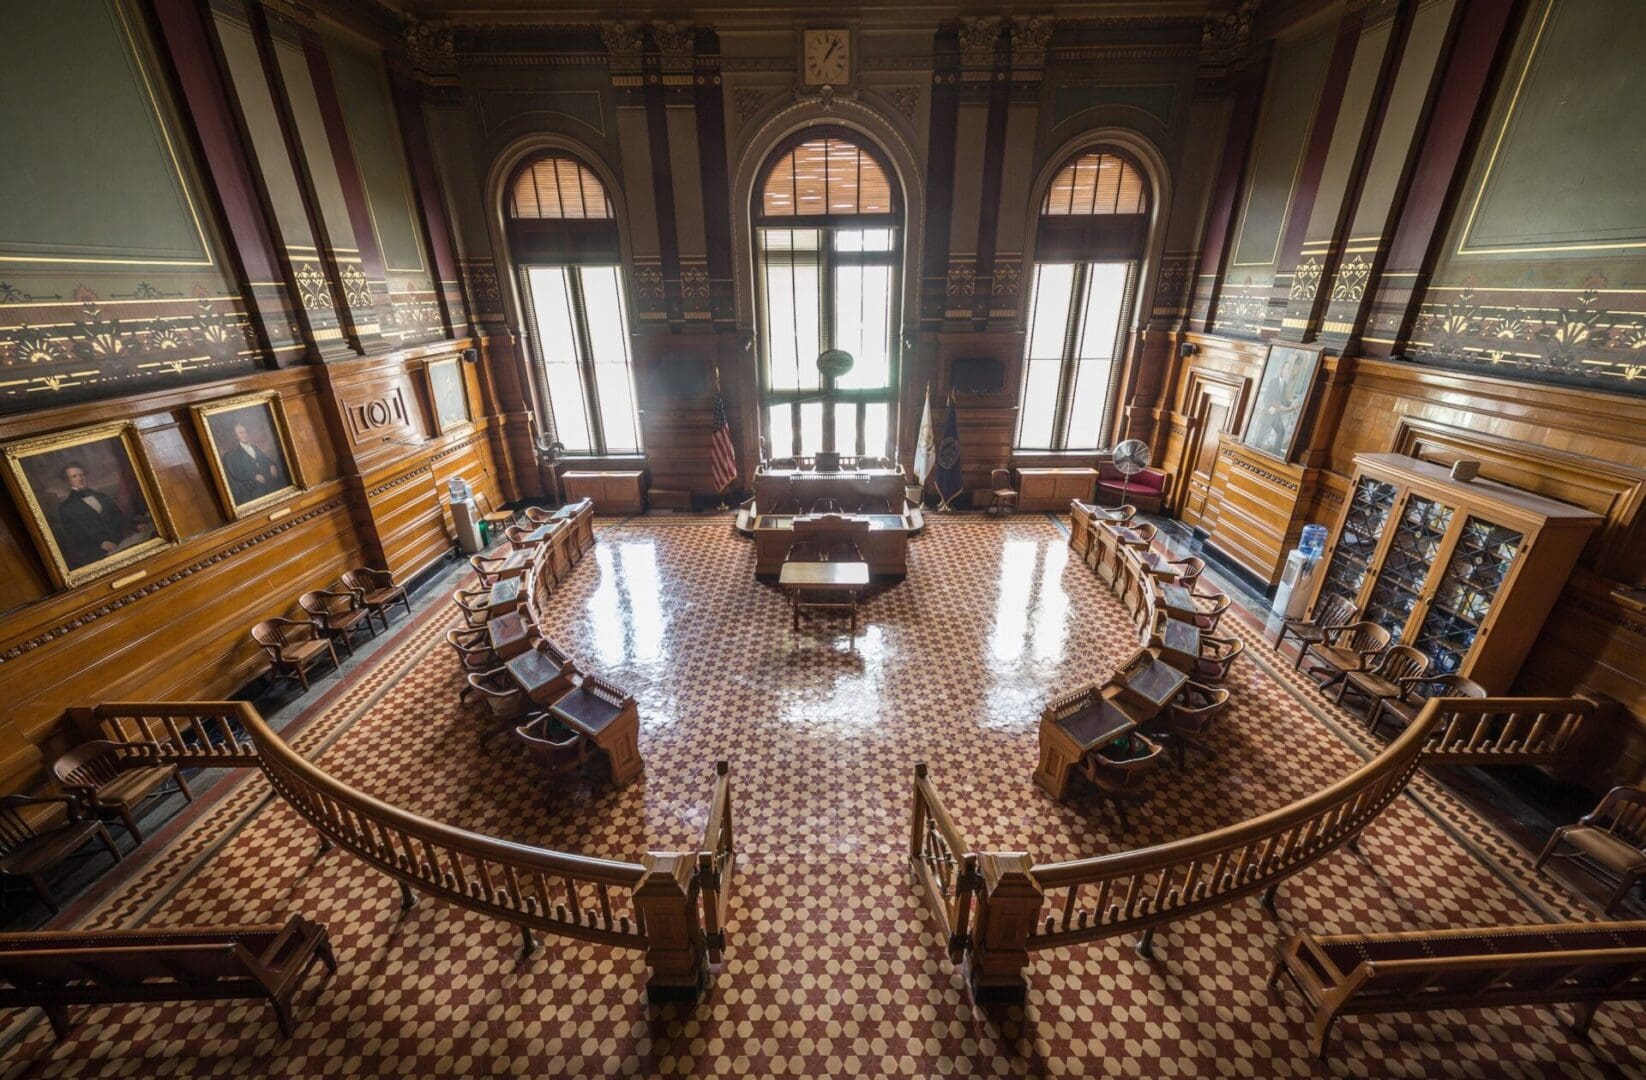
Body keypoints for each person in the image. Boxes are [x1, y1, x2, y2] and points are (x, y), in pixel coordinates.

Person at [55, 462, 145, 569]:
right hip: (96, 553)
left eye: (82, 475)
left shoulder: (102, 496)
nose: (80, 478)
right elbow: (74, 535)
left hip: (121, 543)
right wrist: (100, 543)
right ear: (67, 481)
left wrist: (135, 526)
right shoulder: (66, 507)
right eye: (74, 476)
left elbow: (118, 516)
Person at [221, 419, 283, 505]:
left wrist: (272, 465)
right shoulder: (234, 453)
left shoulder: (254, 447)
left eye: (245, 432)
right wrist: (253, 476)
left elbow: (265, 459)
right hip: (251, 487)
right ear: (236, 436)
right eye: (241, 433)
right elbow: (236, 473)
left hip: (267, 482)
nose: (244, 435)